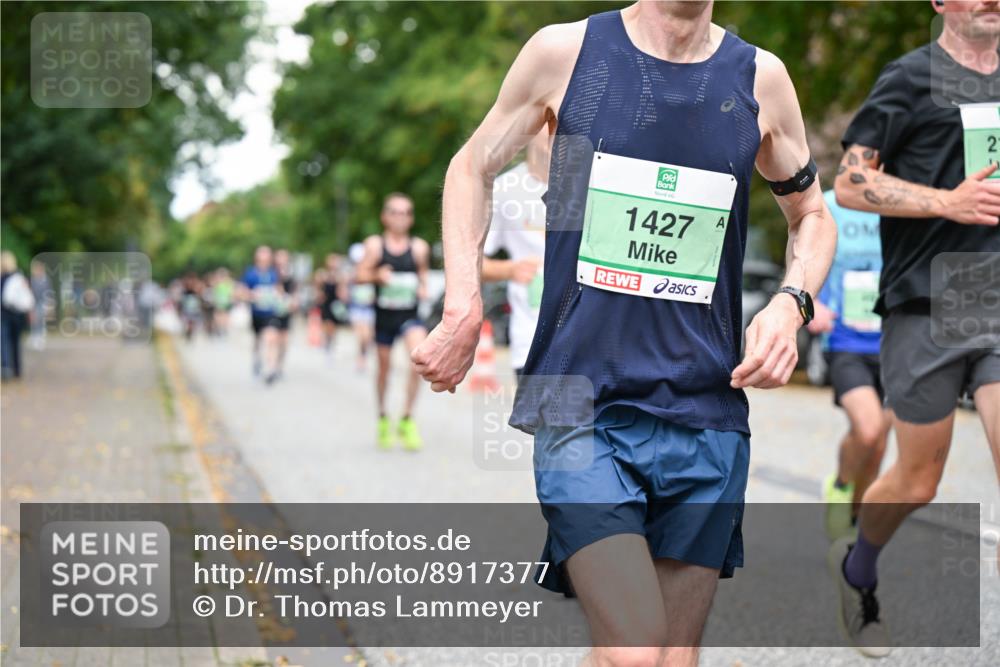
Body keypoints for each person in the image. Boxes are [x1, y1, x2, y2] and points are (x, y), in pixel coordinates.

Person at [412, 2, 837, 664]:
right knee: (636, 648)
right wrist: (463, 303)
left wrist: (789, 303)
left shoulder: (760, 78)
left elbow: (811, 211)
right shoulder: (566, 53)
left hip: (706, 410)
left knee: (668, 657)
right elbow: (472, 166)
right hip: (576, 401)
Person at [829, 0, 1000, 657]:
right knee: (917, 480)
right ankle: (858, 568)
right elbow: (850, 183)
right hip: (926, 303)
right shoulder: (909, 77)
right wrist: (946, 202)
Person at [807, 190, 892, 542]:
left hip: (895, 341)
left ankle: (856, 524)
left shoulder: (901, 201)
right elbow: (802, 251)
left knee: (879, 445)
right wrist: (810, 301)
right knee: (869, 428)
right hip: (845, 340)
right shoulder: (829, 203)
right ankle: (841, 485)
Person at [356, 193, 431, 451]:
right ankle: (382, 416)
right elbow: (359, 275)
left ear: (411, 218)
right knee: (384, 369)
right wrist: (376, 275)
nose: (401, 217)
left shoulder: (419, 247)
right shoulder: (375, 245)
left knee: (419, 360)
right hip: (384, 316)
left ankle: (407, 418)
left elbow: (422, 274)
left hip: (409, 314)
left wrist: (423, 287)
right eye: (396, 212)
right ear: (384, 216)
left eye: (406, 212)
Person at [481, 129, 549, 378]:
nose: (558, 132)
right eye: (549, 123)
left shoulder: (589, 184)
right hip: (530, 340)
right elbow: (471, 262)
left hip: (584, 343)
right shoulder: (504, 189)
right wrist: (509, 269)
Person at [241, 245, 282, 383]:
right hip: (256, 313)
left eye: (267, 255)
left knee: (271, 338)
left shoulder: (273, 273)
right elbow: (241, 292)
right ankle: (257, 359)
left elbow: (279, 290)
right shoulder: (251, 273)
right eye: (262, 255)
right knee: (258, 340)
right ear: (257, 257)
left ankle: (271, 369)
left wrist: (278, 295)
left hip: (270, 312)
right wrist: (252, 295)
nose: (265, 258)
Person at [1, 251, 33, 380]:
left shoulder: (6, 279)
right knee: (15, 342)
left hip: (6, 313)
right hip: (16, 314)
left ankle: (7, 367)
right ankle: (16, 369)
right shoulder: (19, 277)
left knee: (5, 341)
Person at [347, 243, 376, 372]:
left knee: (367, 336)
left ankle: (363, 355)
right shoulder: (352, 273)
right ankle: (360, 359)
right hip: (356, 307)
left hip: (369, 308)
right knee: (361, 335)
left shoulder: (372, 272)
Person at [272, 249, 299, 382]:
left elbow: (295, 292)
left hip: (286, 311)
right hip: (272, 311)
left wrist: (294, 302)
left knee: (284, 341)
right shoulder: (271, 274)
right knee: (273, 338)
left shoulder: (291, 275)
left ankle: (280, 365)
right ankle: (272, 365)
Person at [316, 253, 347, 354]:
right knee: (326, 323)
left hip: (335, 304)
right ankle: (326, 341)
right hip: (326, 303)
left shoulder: (340, 276)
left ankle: (331, 342)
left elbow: (342, 292)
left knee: (333, 325)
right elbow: (318, 288)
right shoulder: (322, 274)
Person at [29, 259, 49, 350]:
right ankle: (35, 337)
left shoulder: (45, 280)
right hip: (33, 303)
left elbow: (48, 292)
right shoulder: (32, 280)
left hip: (42, 303)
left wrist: (48, 303)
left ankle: (40, 338)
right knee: (34, 321)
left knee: (41, 321)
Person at [212, 268, 235, 337]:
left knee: (224, 316)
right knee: (219, 316)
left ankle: (223, 329)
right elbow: (215, 293)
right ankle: (220, 328)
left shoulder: (228, 284)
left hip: (225, 302)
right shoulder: (218, 284)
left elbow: (231, 293)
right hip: (219, 302)